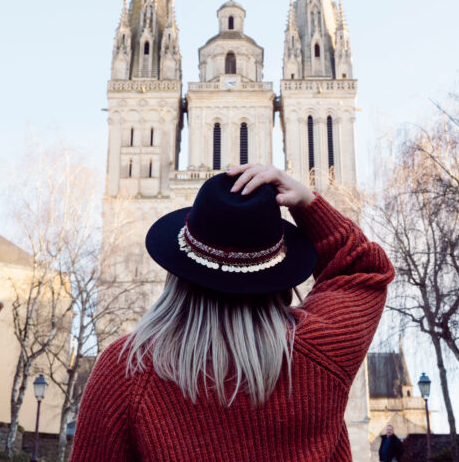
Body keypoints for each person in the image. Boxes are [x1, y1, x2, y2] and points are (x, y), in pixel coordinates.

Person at [68, 164, 394, 461]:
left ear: (177, 270)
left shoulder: (128, 367)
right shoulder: (320, 351)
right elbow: (363, 267)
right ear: (277, 272)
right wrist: (307, 202)